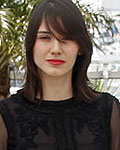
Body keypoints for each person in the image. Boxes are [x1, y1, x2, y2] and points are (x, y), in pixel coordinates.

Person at [0, 0, 120, 149]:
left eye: (66, 38)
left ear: (80, 47)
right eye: (45, 38)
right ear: (32, 45)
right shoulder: (5, 117)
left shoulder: (108, 111)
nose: (56, 49)